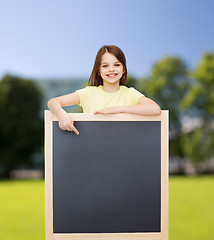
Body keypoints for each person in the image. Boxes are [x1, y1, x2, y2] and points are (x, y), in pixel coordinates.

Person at [47, 45, 161, 135]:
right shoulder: (89, 93)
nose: (111, 69)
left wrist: (117, 110)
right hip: (93, 151)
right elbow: (53, 102)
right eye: (105, 66)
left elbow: (155, 109)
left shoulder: (130, 93)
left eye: (117, 65)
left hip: (124, 151)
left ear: (124, 70)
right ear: (98, 71)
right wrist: (62, 115)